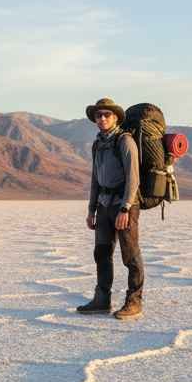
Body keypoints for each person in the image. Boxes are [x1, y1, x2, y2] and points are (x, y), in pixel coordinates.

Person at [77, 97, 144, 320]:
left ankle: (134, 302)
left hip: (124, 206)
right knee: (102, 253)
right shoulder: (98, 144)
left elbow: (133, 178)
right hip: (104, 206)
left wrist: (125, 208)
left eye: (107, 114)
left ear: (115, 117)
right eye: (98, 115)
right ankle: (101, 300)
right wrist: (91, 209)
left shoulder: (125, 141)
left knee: (130, 255)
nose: (102, 118)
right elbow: (95, 179)